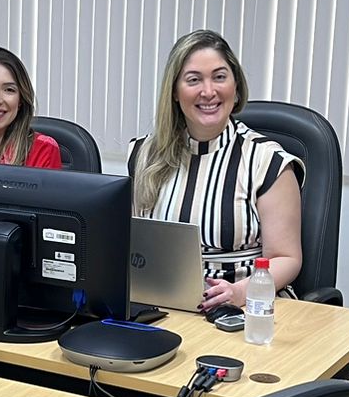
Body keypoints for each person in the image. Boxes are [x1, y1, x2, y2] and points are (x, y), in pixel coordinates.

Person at [129, 29, 303, 313]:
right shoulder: (145, 153)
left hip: (246, 309)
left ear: (236, 86)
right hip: (163, 307)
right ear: (174, 91)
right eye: (194, 80)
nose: (208, 91)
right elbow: (133, 243)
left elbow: (287, 258)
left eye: (219, 77)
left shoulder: (267, 161)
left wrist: (240, 292)